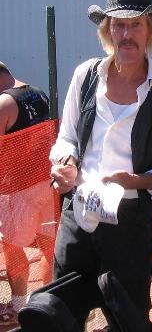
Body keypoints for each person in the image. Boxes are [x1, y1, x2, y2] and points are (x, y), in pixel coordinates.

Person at [49, 0, 152, 331]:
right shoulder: (85, 76)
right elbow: (66, 137)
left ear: (150, 31)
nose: (126, 34)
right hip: (78, 214)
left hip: (131, 222)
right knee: (61, 314)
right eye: (118, 25)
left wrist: (137, 181)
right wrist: (66, 163)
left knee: (127, 319)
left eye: (135, 25)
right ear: (107, 30)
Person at [0, 61, 53, 326]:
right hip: (47, 181)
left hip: (17, 188)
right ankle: (51, 303)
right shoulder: (37, 92)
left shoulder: (2, 105)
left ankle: (19, 307)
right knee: (49, 246)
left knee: (12, 246)